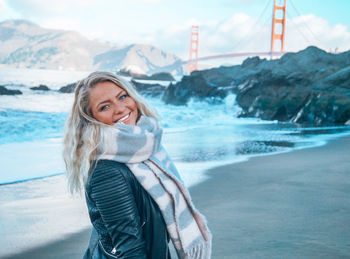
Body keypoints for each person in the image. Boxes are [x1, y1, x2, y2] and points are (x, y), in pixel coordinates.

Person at [63, 71, 211, 259]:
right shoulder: (107, 172)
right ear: (91, 118)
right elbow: (130, 249)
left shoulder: (145, 148)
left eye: (122, 97)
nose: (120, 108)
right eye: (105, 106)